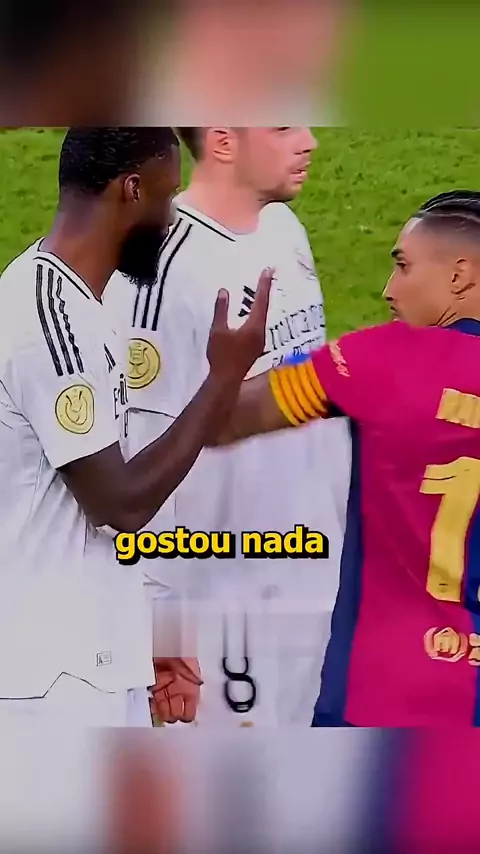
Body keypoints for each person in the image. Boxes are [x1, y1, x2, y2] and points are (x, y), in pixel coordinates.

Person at [0, 127, 272, 726]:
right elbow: (119, 503)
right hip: (49, 679)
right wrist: (223, 380)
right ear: (130, 189)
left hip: (92, 659)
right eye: (165, 197)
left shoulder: (85, 307)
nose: (170, 220)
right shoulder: (47, 319)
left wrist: (144, 634)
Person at [207, 189, 480, 727]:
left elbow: (222, 421)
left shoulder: (385, 359)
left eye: (404, 266)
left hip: (383, 694)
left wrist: (225, 373)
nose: (388, 289)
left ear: (459, 275)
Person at [109, 126, 351, 726]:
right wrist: (164, 623)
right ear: (222, 141)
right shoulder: (158, 269)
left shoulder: (282, 228)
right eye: (283, 127)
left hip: (314, 571)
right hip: (227, 604)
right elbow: (141, 459)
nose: (309, 141)